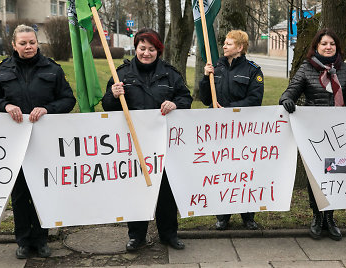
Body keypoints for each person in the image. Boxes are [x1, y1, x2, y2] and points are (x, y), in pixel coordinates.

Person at [0, 24, 76, 259]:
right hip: (15, 144)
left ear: (38, 43)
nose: (28, 47)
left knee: (43, 191)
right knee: (21, 194)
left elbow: (68, 99)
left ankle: (42, 239)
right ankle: (23, 241)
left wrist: (47, 109)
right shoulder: (2, 70)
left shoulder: (52, 69)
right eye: (23, 43)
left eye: (32, 42)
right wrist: (5, 106)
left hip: (45, 142)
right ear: (14, 45)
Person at [102, 28, 192, 252]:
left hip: (163, 144)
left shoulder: (170, 74)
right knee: (136, 190)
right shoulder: (121, 74)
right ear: (136, 48)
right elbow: (107, 106)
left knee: (165, 191)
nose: (146, 53)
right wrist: (113, 95)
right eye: (142, 48)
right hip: (133, 144)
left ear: (158, 50)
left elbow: (185, 97)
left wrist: (175, 104)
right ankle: (136, 236)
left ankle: (168, 234)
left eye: (151, 49)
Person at [279, 28, 346, 241]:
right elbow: (290, 91)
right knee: (317, 177)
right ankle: (317, 217)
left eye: (332, 44)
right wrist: (286, 100)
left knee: (334, 174)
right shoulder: (306, 68)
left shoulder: (344, 70)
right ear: (316, 47)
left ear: (337, 47)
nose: (328, 47)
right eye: (324, 44)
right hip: (315, 137)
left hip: (340, 136)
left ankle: (330, 218)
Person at [199, 30, 264, 230]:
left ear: (240, 47)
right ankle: (222, 215)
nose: (224, 46)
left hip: (242, 130)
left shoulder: (252, 70)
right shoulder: (216, 67)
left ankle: (248, 215)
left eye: (229, 43)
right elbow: (205, 99)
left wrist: (229, 110)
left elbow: (255, 100)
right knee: (221, 172)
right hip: (218, 131)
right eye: (224, 43)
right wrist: (205, 78)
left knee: (244, 172)